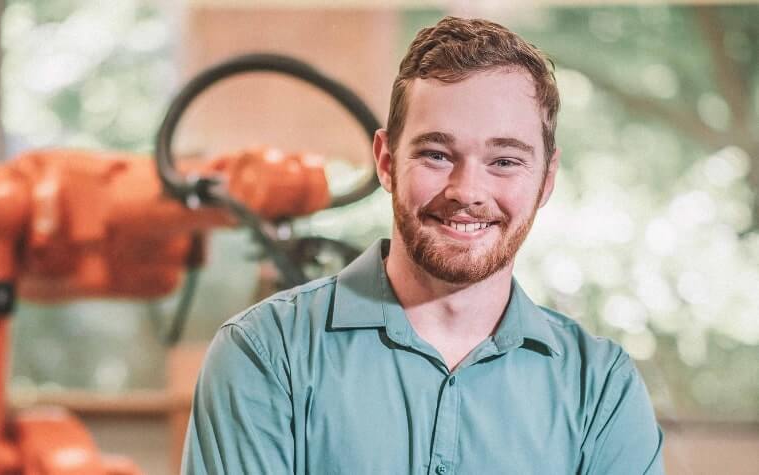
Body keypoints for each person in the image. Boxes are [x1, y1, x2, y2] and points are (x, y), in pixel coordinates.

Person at [182, 16, 664, 474]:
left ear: (547, 178)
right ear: (387, 161)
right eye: (436, 154)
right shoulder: (266, 353)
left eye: (504, 161)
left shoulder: (600, 388)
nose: (467, 191)